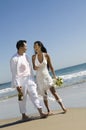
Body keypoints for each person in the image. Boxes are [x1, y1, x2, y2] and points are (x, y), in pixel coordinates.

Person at [10, 40, 48, 120]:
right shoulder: (14, 59)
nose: (27, 48)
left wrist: (33, 79)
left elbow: (30, 69)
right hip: (20, 82)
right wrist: (17, 85)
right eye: (25, 46)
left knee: (35, 95)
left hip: (29, 80)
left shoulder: (26, 56)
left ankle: (41, 112)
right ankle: (23, 115)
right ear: (21, 47)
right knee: (21, 99)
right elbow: (14, 73)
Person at [32, 41, 67, 115]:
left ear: (40, 46)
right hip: (39, 78)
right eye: (34, 46)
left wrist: (55, 76)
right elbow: (34, 68)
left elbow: (51, 66)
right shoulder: (33, 57)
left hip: (47, 77)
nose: (34, 48)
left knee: (54, 92)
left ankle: (62, 106)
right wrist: (36, 67)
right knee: (44, 95)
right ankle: (48, 110)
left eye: (36, 46)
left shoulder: (46, 55)